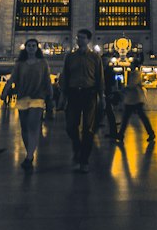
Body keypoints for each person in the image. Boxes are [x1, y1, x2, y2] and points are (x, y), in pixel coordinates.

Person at [61, 29, 104, 173]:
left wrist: (101, 96)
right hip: (73, 93)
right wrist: (63, 94)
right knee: (71, 126)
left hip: (89, 93)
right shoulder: (70, 57)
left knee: (88, 128)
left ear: (88, 40)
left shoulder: (95, 57)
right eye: (78, 37)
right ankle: (77, 148)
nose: (79, 40)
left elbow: (99, 77)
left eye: (82, 38)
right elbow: (65, 76)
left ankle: (84, 159)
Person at [10, 37, 52, 170]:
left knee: (33, 126)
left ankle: (29, 156)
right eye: (29, 46)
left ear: (37, 48)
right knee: (24, 128)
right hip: (22, 98)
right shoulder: (20, 63)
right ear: (26, 48)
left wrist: (50, 94)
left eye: (34, 46)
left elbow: (47, 79)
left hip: (37, 98)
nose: (31, 48)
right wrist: (5, 92)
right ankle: (30, 150)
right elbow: (13, 78)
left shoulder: (43, 63)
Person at [119, 64, 156, 145]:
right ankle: (151, 133)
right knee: (141, 117)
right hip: (134, 99)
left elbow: (132, 85)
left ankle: (121, 135)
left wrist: (125, 89)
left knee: (127, 118)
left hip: (134, 99)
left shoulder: (135, 74)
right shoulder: (135, 73)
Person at [101, 53, 121, 143]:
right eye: (103, 60)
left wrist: (113, 92)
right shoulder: (100, 70)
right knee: (105, 112)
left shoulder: (110, 71)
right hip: (101, 93)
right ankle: (113, 132)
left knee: (109, 113)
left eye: (105, 60)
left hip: (108, 93)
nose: (104, 62)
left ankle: (113, 132)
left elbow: (113, 83)